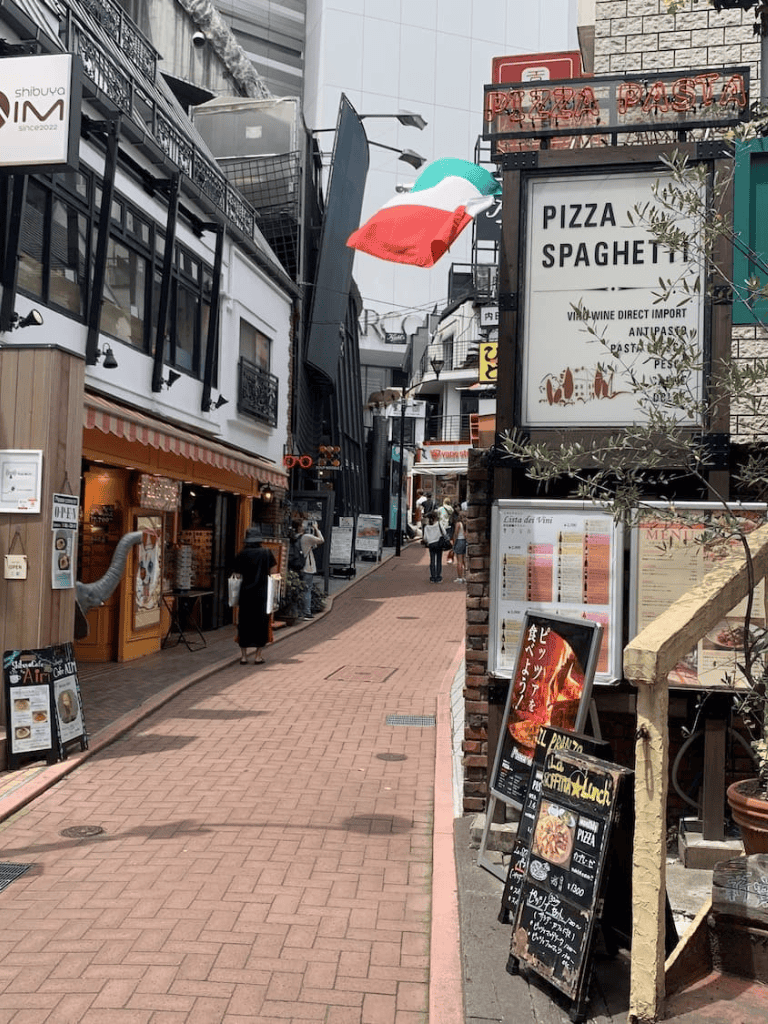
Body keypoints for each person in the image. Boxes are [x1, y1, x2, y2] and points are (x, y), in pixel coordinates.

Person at [232, 525, 276, 664]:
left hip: (245, 594)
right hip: (262, 594)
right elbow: (274, 573)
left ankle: (244, 656)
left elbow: (236, 575)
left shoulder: (242, 554)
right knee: (260, 623)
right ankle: (258, 656)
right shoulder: (266, 553)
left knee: (244, 623)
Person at [299, 520, 324, 619]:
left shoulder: (297, 537)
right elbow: (321, 540)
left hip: (298, 566)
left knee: (301, 589)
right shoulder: (306, 537)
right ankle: (307, 612)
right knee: (307, 590)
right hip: (307, 568)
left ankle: (300, 611)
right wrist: (316, 529)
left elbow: (313, 546)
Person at [422, 511, 449, 583]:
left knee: (432, 560)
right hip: (439, 543)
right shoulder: (439, 524)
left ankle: (433, 577)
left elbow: (425, 538)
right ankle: (438, 577)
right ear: (436, 517)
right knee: (439, 560)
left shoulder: (427, 527)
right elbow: (444, 533)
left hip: (431, 544)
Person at [452, 511, 467, 583]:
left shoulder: (458, 524)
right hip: (465, 541)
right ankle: (465, 576)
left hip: (459, 541)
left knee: (459, 561)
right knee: (465, 561)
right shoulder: (466, 524)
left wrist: (454, 543)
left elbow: (455, 534)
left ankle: (460, 578)